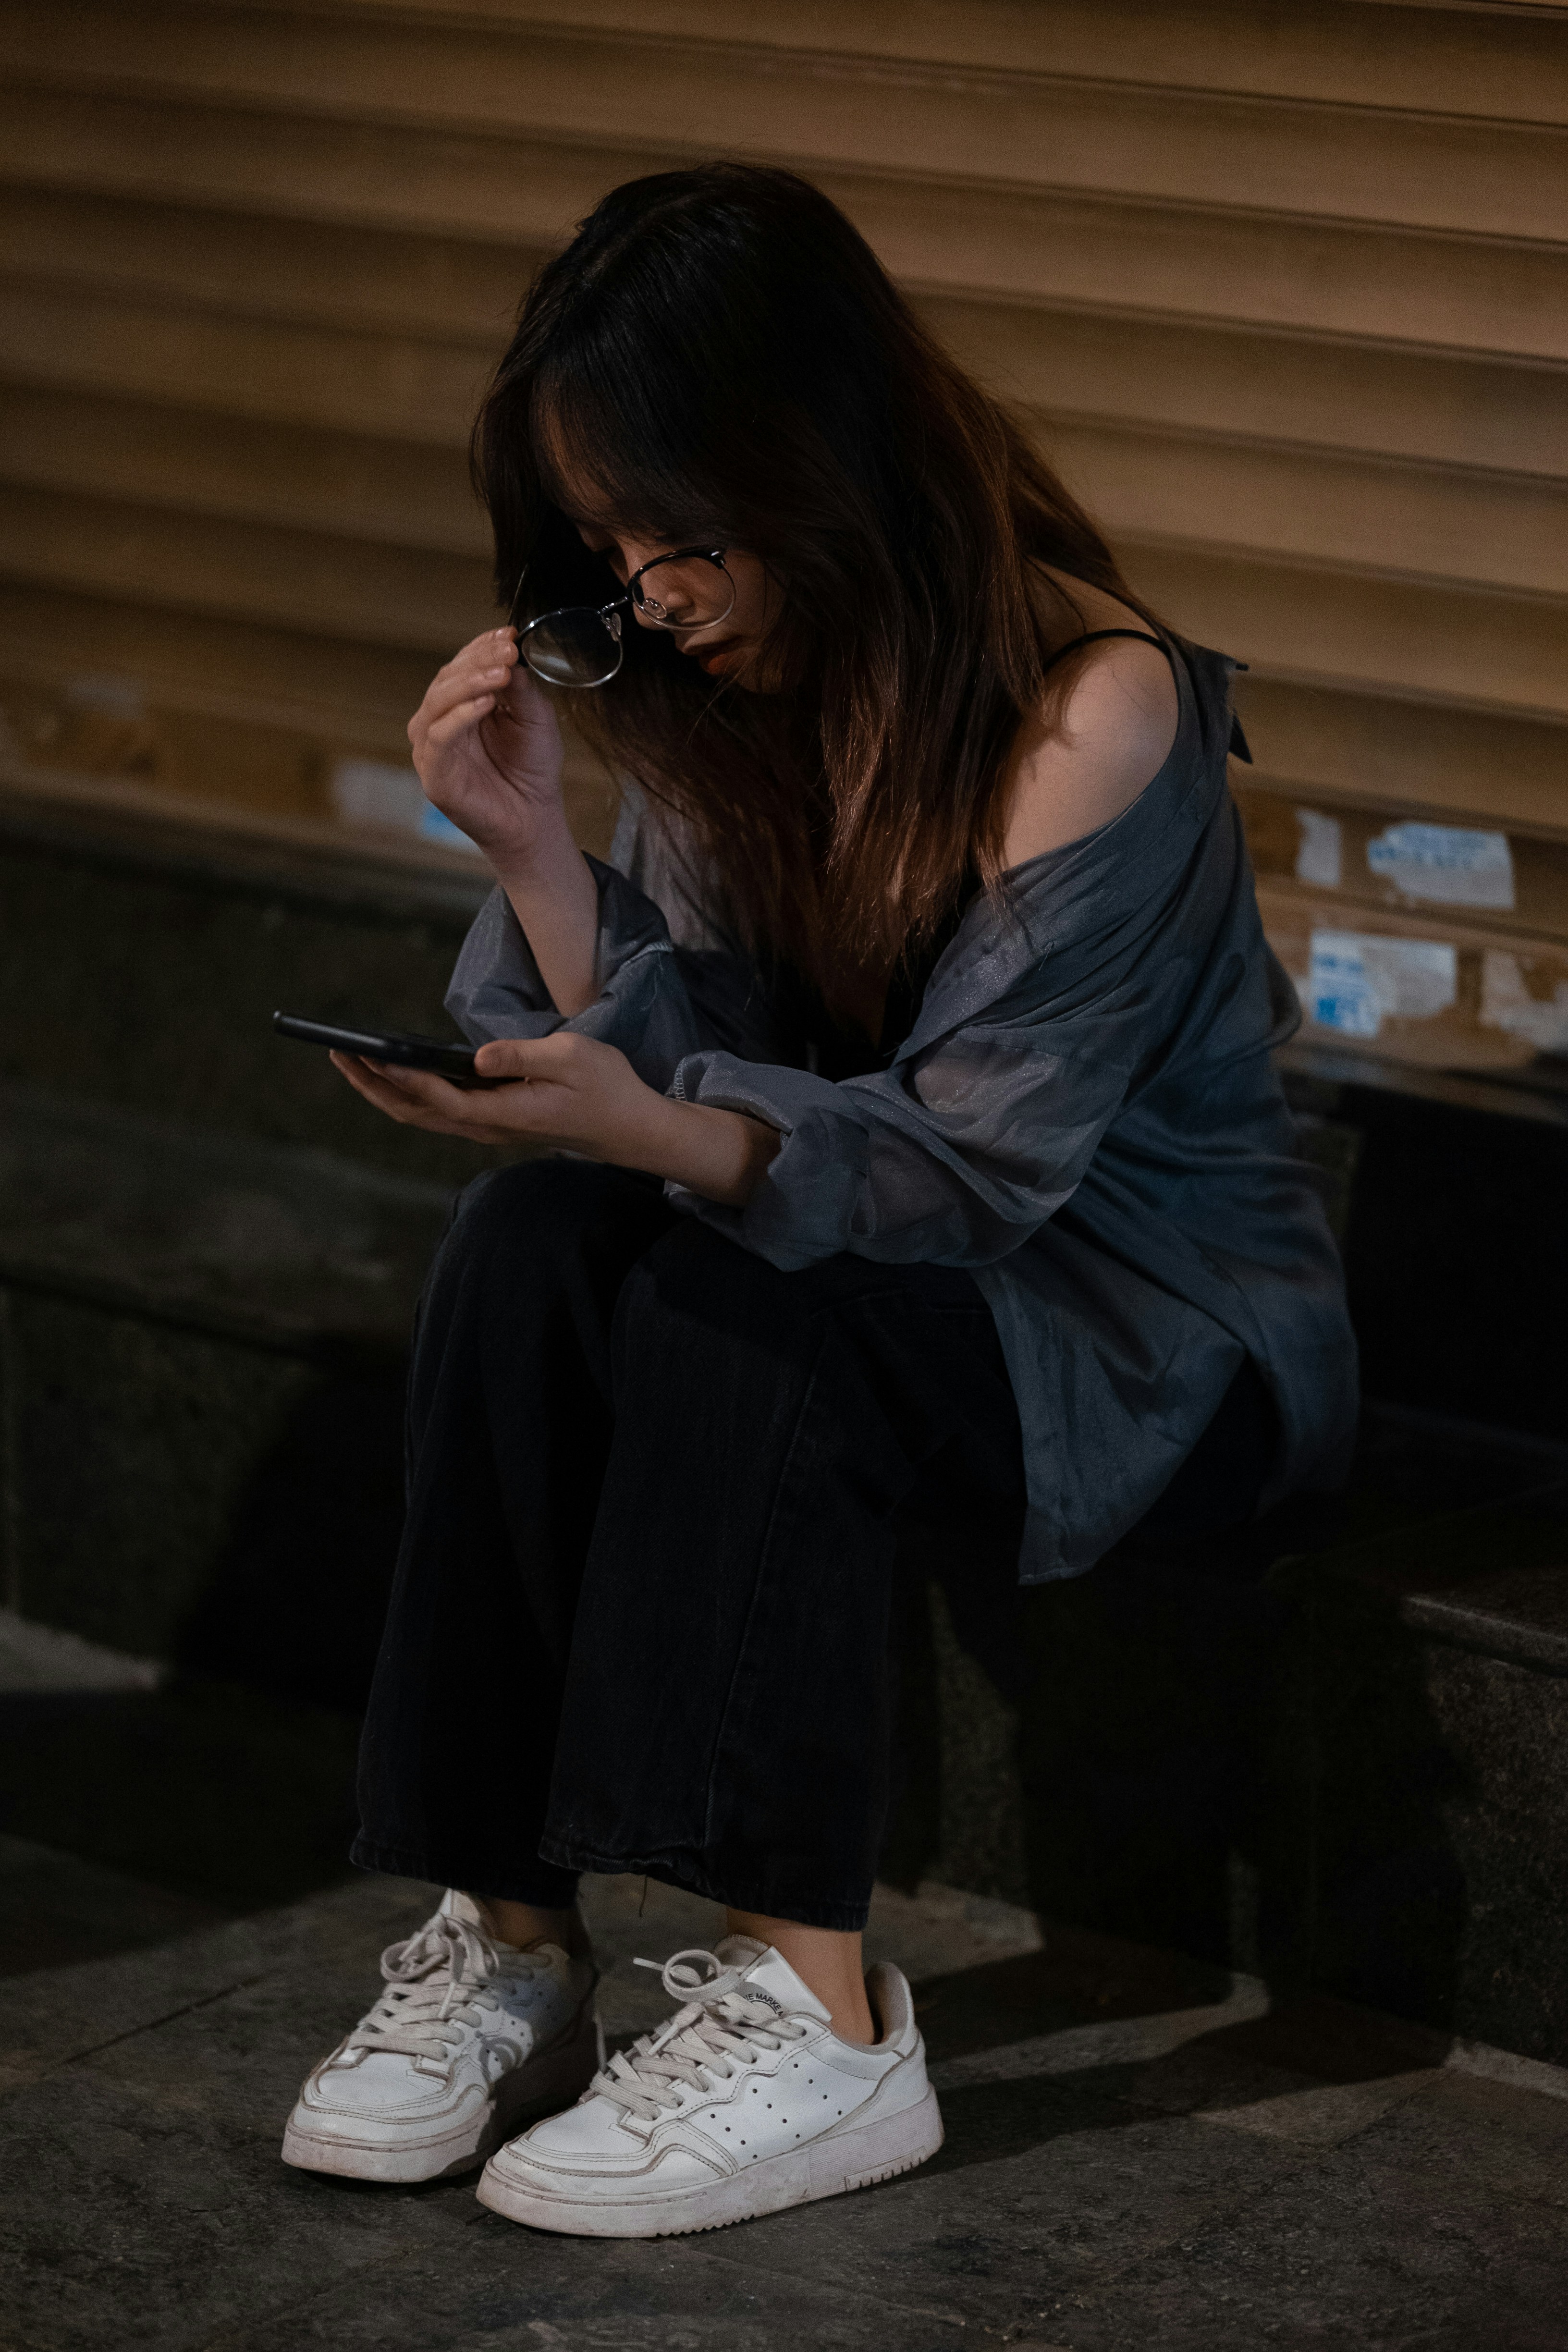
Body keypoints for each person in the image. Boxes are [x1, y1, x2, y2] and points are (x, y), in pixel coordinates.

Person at [281, 162, 1356, 2238]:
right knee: (530, 1241)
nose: (654, 591)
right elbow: (684, 1070)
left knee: (741, 1294)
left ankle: (818, 2007)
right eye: (609, 543)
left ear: (827, 459)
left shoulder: (1091, 709)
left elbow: (968, 1172)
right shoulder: (721, 694)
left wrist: (662, 1133)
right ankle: (505, 1931)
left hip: (1145, 1322)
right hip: (879, 1263)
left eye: (688, 532)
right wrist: (529, 857)